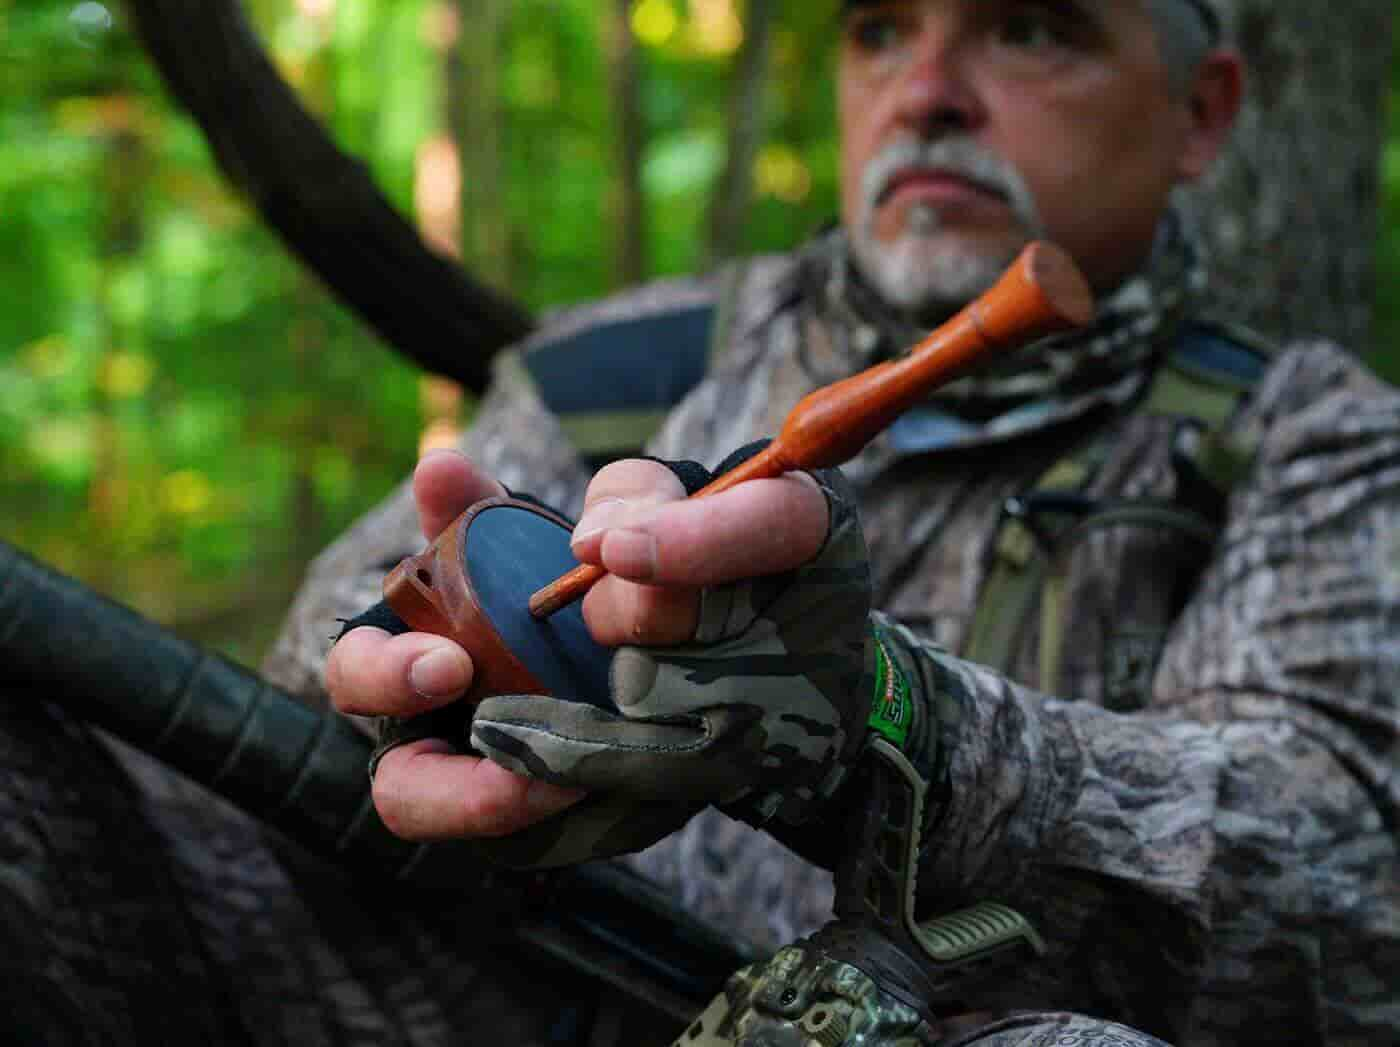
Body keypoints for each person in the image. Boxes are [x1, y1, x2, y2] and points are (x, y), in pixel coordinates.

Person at [1, 1, 1390, 1044]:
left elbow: (1341, 892)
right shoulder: (631, 365)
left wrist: (880, 726)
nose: (927, 94)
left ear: (1203, 115)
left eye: (1028, 28)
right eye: (880, 29)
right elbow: (335, 645)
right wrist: (423, 671)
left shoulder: (1310, 447)